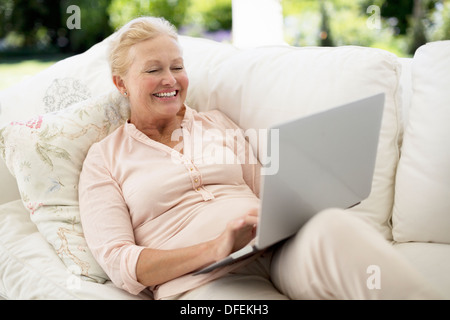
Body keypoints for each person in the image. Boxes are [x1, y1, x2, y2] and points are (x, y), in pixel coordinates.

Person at [78, 16, 442, 300]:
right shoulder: (103, 160)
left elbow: (267, 194)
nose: (170, 79)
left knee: (334, 226)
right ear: (121, 83)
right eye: (153, 69)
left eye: (177, 66)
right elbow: (122, 263)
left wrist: (306, 199)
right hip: (198, 284)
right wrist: (215, 247)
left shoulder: (216, 123)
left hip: (275, 251)